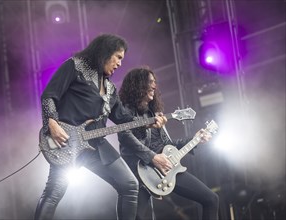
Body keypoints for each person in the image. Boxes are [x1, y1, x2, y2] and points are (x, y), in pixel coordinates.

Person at [34, 34, 166, 220]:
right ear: (105, 53)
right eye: (118, 57)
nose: (120, 64)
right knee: (54, 193)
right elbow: (49, 96)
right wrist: (52, 123)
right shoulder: (75, 66)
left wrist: (149, 122)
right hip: (68, 143)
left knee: (129, 184)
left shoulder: (110, 89)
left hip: (97, 145)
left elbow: (123, 118)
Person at [118, 66, 219, 220]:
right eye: (150, 82)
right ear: (138, 85)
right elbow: (125, 138)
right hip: (141, 171)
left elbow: (169, 145)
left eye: (154, 82)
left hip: (166, 169)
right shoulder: (126, 112)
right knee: (136, 217)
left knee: (211, 199)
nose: (154, 86)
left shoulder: (155, 113)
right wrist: (153, 157)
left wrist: (195, 139)